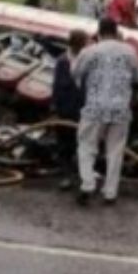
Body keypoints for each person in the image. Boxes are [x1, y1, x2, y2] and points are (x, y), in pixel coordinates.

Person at [73, 18, 138, 206]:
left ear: (99, 32)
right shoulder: (129, 52)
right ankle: (110, 192)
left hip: (95, 106)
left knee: (87, 146)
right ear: (116, 31)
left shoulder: (89, 51)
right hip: (120, 108)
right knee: (115, 151)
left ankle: (88, 184)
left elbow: (76, 72)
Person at [52, 29, 88, 191]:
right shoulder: (63, 62)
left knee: (83, 144)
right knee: (65, 144)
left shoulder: (86, 60)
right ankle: (66, 176)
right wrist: (55, 108)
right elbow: (57, 88)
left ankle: (82, 176)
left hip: (83, 110)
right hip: (66, 109)